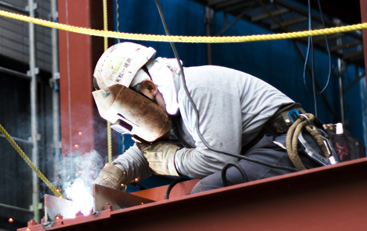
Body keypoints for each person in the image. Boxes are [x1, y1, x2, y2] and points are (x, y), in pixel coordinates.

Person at [92, 42, 325, 194]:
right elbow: (151, 151)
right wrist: (117, 172)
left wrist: (171, 160)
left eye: (135, 109)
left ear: (149, 87)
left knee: (206, 193)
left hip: (286, 145)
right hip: (259, 151)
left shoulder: (195, 89)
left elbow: (216, 159)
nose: (137, 119)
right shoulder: (166, 107)